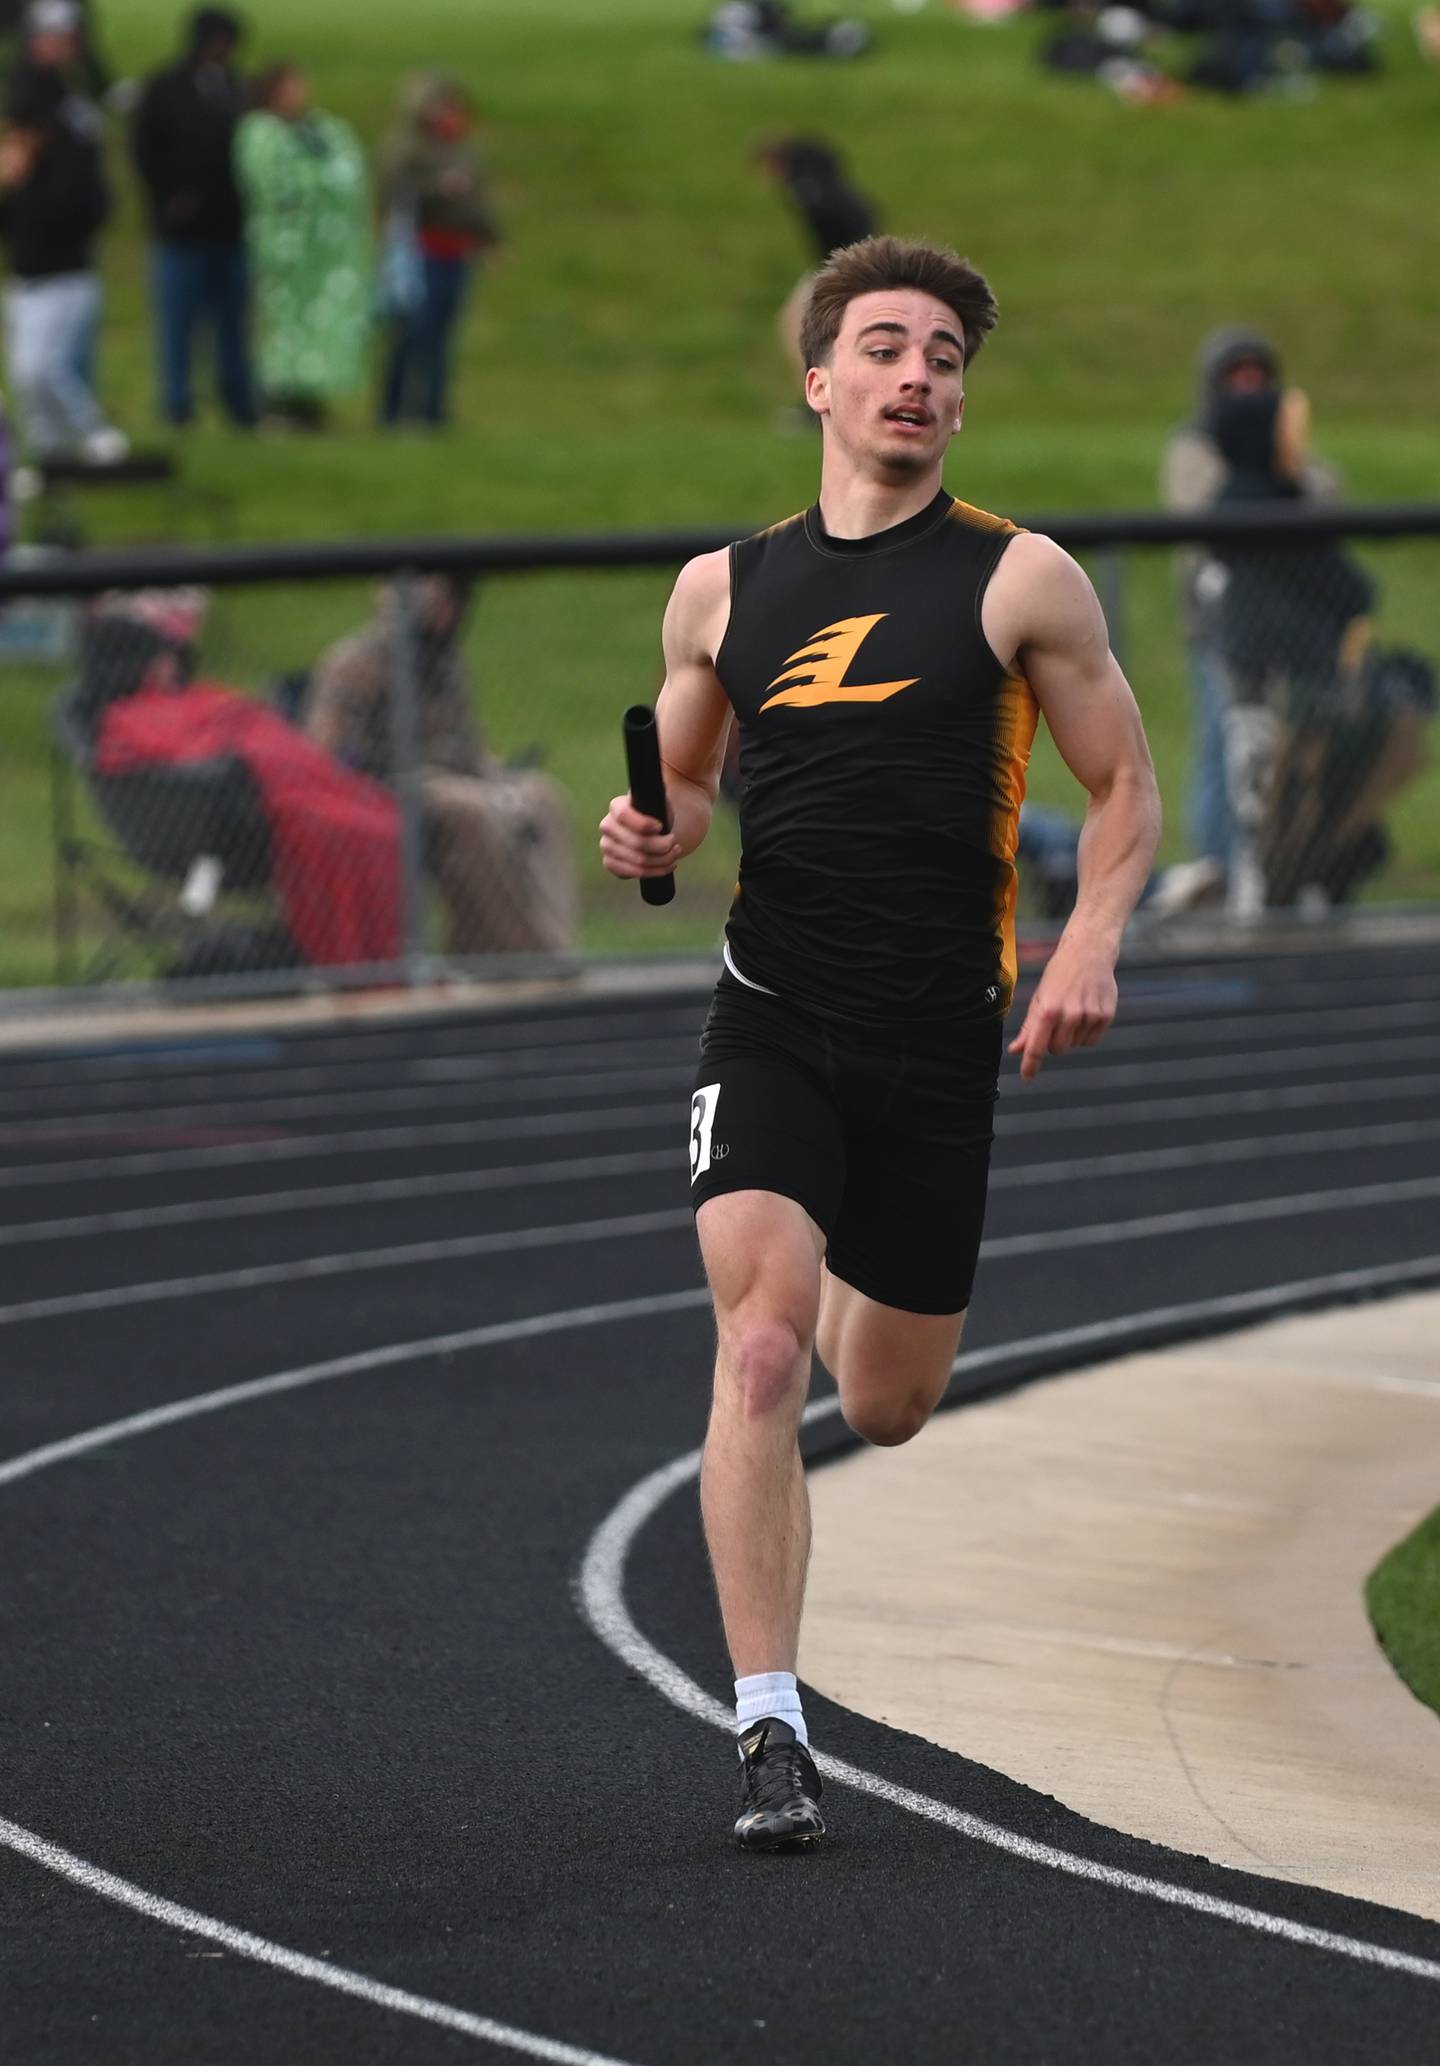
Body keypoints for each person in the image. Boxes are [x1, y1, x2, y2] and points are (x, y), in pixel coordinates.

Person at [598, 235, 1161, 1850]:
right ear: (821, 382)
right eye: (891, 348)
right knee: (761, 1347)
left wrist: (1094, 940)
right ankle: (770, 1729)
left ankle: (850, 1261)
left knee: (891, 1398)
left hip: (938, 1045)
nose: (922, 376)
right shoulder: (727, 590)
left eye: (946, 359)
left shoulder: (1016, 580)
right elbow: (690, 788)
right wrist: (655, 830)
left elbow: (1128, 788)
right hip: (770, 1015)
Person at [306, 576, 575, 955]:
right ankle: (530, 953)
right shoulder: (355, 664)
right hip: (387, 793)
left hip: (459, 782)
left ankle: (554, 943)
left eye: (453, 602)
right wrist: (389, 770)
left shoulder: (448, 665)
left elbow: (469, 748)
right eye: (438, 601)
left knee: (541, 798)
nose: (447, 613)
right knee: (470, 808)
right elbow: (328, 756)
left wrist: (501, 777)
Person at [0, 0, 126, 462]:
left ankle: (93, 435)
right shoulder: (28, 99)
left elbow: (88, 192)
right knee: (26, 377)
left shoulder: (75, 112)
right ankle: (49, 461)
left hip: (68, 262)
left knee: (42, 369)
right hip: (26, 267)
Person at [130, 6, 256, 428]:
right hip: (179, 231)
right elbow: (144, 153)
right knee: (178, 326)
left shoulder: (236, 89)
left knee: (233, 327)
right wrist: (170, 199)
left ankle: (240, 404)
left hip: (231, 229)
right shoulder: (165, 87)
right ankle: (178, 407)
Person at [233, 63, 370, 429]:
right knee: (283, 323)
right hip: (285, 250)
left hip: (324, 253)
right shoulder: (261, 132)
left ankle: (310, 402)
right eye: (291, 85)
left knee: (321, 324)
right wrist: (321, 181)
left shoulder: (322, 129)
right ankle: (278, 402)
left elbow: (349, 173)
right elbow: (282, 183)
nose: (299, 93)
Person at [376, 74, 501, 428]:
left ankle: (434, 412)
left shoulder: (465, 150)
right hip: (419, 253)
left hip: (455, 253)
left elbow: (476, 202)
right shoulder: (410, 149)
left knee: (442, 338)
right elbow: (394, 192)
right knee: (412, 333)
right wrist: (437, 188)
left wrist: (490, 237)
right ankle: (394, 411)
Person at [755, 136, 878, 398]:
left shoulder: (809, 191)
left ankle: (822, 399)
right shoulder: (828, 184)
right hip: (843, 263)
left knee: (798, 325)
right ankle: (824, 397)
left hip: (841, 267)